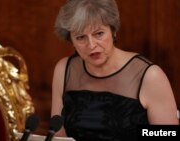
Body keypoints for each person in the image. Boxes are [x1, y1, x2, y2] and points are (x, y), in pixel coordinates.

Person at [51, 0, 179, 140]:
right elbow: (58, 134)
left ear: (113, 31)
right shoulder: (64, 69)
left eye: (99, 33)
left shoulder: (150, 76)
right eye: (81, 37)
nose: (91, 45)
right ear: (71, 41)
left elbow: (169, 134)